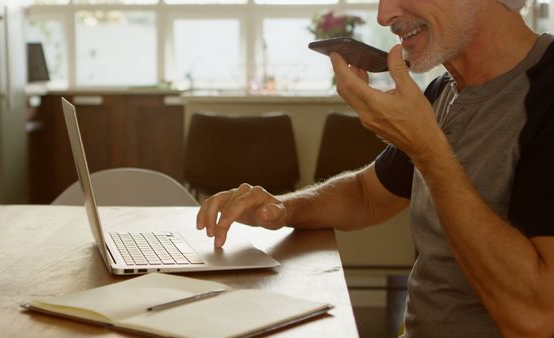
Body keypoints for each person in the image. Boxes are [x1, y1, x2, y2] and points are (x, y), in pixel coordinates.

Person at [195, 0, 554, 337]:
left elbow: (537, 319)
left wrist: (428, 149)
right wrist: (283, 208)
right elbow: (367, 195)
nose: (384, 15)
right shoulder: (443, 91)